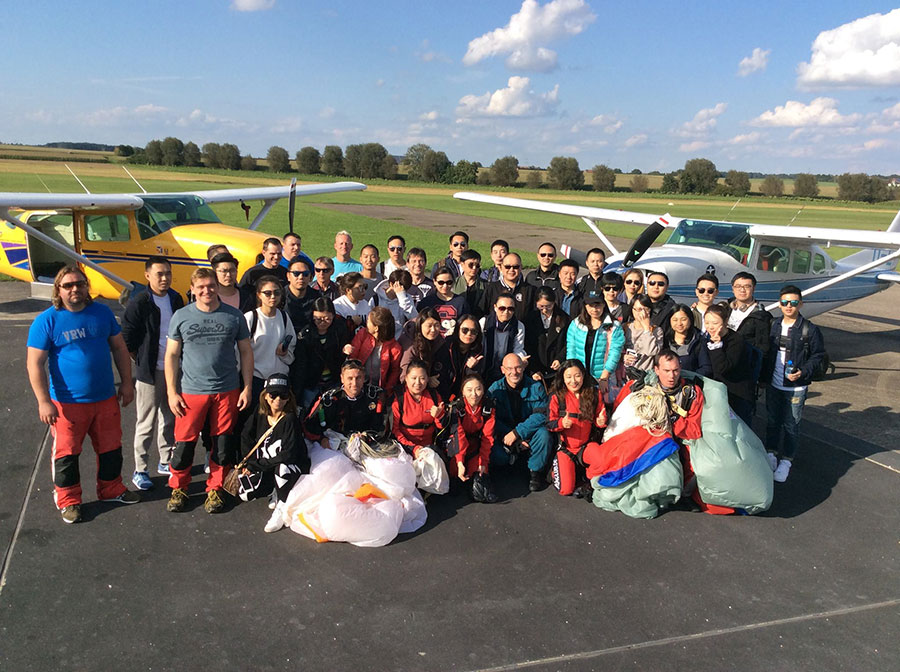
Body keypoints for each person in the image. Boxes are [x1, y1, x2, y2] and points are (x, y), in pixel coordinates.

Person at [26, 266, 140, 524]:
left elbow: (119, 348)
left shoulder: (102, 313)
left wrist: (126, 383)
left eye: (79, 284)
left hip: (104, 398)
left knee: (111, 448)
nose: (74, 289)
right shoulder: (47, 320)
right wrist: (43, 401)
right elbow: (34, 363)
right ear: (58, 289)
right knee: (67, 454)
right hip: (67, 403)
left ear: (87, 286)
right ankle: (68, 501)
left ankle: (111, 490)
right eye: (68, 285)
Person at [165, 267, 253, 514]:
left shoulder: (234, 316)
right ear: (192, 290)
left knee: (222, 444)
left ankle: (215, 488)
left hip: (226, 390)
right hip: (192, 391)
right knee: (184, 445)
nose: (207, 291)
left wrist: (246, 388)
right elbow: (171, 355)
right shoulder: (181, 316)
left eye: (211, 286)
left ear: (217, 287)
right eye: (201, 287)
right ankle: (179, 487)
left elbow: (246, 352)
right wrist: (172, 392)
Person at [121, 256, 184, 490]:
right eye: (160, 274)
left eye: (168, 273)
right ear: (147, 275)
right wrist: (140, 360)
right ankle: (140, 468)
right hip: (149, 372)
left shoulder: (176, 299)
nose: (165, 278)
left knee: (169, 418)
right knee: (145, 422)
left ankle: (165, 461)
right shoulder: (140, 302)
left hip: (172, 371)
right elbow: (127, 337)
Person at [763, 285, 826, 483]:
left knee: (791, 424)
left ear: (800, 304)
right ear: (779, 304)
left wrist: (803, 372)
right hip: (774, 385)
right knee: (772, 421)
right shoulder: (774, 325)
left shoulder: (809, 329)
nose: (788, 306)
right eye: (784, 302)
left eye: (793, 302)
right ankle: (771, 453)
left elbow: (818, 355)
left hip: (796, 388)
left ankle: (787, 460)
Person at [239, 374, 310, 533]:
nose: (277, 399)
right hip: (266, 462)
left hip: (290, 465)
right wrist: (248, 463)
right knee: (245, 494)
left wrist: (257, 466)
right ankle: (273, 487)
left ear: (288, 397)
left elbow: (288, 455)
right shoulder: (260, 411)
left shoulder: (290, 419)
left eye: (283, 395)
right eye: (273, 394)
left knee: (282, 469)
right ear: (265, 395)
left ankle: (282, 506)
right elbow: (246, 435)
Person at [488, 353, 552, 491]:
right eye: (509, 368)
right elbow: (491, 420)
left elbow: (541, 415)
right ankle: (508, 464)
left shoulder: (537, 387)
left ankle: (535, 472)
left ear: (523, 367)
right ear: (502, 370)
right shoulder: (494, 390)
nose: (514, 372)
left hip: (527, 433)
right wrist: (511, 436)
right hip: (505, 435)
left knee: (544, 434)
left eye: (518, 368)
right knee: (495, 454)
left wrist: (518, 433)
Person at [548, 359, 606, 496]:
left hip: (586, 446)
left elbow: (600, 418)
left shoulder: (593, 394)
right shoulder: (557, 397)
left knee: (603, 462)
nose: (573, 381)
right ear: (562, 378)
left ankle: (587, 479)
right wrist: (562, 424)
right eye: (568, 377)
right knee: (566, 490)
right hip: (565, 448)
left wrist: (601, 421)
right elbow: (549, 423)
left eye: (577, 376)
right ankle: (558, 471)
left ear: (583, 375)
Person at [242, 276, 296, 413]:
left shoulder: (284, 317)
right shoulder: (250, 318)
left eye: (277, 293)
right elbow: (240, 352)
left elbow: (292, 345)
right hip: (257, 380)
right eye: (268, 293)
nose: (273, 296)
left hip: (279, 380)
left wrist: (284, 353)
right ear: (259, 295)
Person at [445, 373, 497, 503]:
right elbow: (459, 435)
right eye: (469, 390)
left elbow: (487, 437)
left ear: (483, 390)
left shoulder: (488, 408)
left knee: (479, 485)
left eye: (478, 389)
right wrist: (460, 461)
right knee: (454, 478)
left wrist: (483, 462)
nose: (474, 394)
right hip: (457, 446)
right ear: (462, 391)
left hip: (475, 446)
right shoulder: (457, 408)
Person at [306, 359, 386, 442]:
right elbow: (308, 425)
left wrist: (366, 437)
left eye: (358, 378)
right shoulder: (329, 399)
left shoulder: (376, 396)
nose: (354, 383)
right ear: (342, 378)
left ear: (364, 378)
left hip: (368, 442)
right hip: (335, 442)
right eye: (350, 378)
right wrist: (321, 439)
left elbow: (383, 426)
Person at [292, 297, 349, 409]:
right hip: (312, 382)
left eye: (327, 319)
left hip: (334, 380)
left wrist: (344, 350)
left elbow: (341, 355)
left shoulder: (340, 329)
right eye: (318, 319)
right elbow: (301, 365)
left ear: (333, 316)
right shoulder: (305, 335)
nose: (323, 323)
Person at [566, 290, 625, 400]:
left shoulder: (613, 326)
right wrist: (573, 374)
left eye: (597, 305)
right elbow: (571, 349)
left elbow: (614, 353)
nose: (594, 309)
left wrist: (604, 377)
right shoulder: (576, 324)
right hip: (581, 376)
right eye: (590, 306)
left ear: (604, 304)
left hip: (602, 376)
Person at [703, 303, 755, 427]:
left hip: (736, 393)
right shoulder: (706, 338)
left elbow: (722, 368)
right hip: (717, 392)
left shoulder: (736, 341)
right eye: (707, 322)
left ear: (725, 321)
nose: (710, 327)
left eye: (715, 323)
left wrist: (717, 345)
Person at [391, 359, 446, 456]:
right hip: (405, 448)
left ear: (428, 379)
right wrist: (413, 449)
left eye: (422, 378)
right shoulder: (398, 398)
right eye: (414, 378)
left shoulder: (434, 396)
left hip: (430, 448)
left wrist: (439, 416)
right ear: (406, 378)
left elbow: (443, 430)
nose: (418, 383)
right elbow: (394, 430)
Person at [727, 271, 772, 385]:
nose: (742, 290)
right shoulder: (725, 308)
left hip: (745, 372)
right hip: (724, 366)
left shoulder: (761, 316)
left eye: (747, 286)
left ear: (753, 288)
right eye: (738, 286)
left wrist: (761, 378)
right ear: (733, 288)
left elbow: (763, 349)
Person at [345, 306, 402, 396]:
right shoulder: (362, 334)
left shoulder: (394, 347)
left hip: (379, 388)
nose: (366, 323)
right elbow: (353, 357)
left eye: (368, 321)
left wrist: (387, 391)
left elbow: (395, 372)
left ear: (376, 328)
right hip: (360, 384)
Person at [524, 287, 570, 385]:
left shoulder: (564, 318)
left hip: (556, 368)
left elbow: (568, 343)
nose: (544, 310)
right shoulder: (530, 319)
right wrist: (533, 369)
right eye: (541, 306)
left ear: (554, 303)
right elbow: (527, 345)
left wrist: (560, 359)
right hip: (537, 368)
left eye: (548, 306)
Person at [480, 292, 527, 384]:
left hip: (507, 369)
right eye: (502, 308)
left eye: (510, 309)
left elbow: (518, 348)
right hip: (485, 367)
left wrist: (521, 358)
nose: (506, 312)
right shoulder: (484, 322)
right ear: (495, 307)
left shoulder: (519, 326)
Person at [398, 308, 450, 387]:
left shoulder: (439, 341)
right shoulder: (409, 344)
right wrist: (427, 380)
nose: (433, 330)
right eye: (429, 326)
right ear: (420, 325)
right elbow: (404, 375)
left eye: (436, 325)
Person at [481, 253, 535, 321]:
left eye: (515, 267)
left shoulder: (530, 290)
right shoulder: (491, 288)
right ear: (501, 267)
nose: (511, 270)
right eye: (507, 267)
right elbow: (481, 312)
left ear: (521, 267)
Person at [418, 267, 469, 337]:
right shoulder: (426, 302)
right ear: (434, 282)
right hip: (432, 344)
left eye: (449, 282)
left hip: (453, 343)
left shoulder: (460, 302)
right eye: (441, 282)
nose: (445, 286)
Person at [444, 315, 485, 399]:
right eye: (465, 330)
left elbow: (475, 382)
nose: (469, 334)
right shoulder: (447, 346)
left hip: (465, 396)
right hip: (445, 390)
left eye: (473, 331)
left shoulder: (478, 351)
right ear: (458, 329)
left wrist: (472, 369)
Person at [665, 305, 712, 377]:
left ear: (690, 320)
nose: (679, 323)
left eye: (683, 319)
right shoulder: (664, 341)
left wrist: (687, 377)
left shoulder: (699, 341)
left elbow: (706, 368)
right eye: (675, 320)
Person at [624, 294, 664, 372]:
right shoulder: (625, 328)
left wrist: (646, 328)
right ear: (632, 310)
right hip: (625, 375)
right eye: (638, 309)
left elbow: (650, 351)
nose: (642, 313)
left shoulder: (657, 330)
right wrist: (623, 357)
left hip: (646, 375)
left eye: (645, 309)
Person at [283, 257, 321, 335]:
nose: (301, 277)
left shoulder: (317, 297)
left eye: (305, 274)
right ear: (288, 276)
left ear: (311, 277)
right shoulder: (279, 297)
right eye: (296, 274)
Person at [452, 249, 487, 318]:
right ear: (462, 265)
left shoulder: (485, 285)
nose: (474, 268)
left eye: (477, 265)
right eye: (471, 265)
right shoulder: (453, 283)